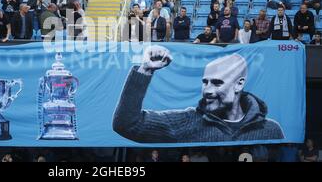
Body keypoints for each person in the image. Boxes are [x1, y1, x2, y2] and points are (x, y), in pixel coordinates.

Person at [112, 46, 285, 143]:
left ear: (239, 84)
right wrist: (146, 69)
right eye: (205, 82)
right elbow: (127, 125)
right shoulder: (187, 121)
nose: (208, 90)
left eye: (217, 82)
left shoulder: (271, 130)